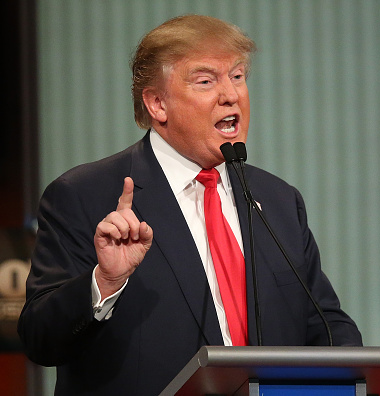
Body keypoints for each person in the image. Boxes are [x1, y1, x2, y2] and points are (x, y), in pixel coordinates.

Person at [18, 14, 362, 395]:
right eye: (205, 81)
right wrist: (105, 282)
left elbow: (326, 324)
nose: (231, 95)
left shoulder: (279, 200)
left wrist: (355, 375)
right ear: (157, 104)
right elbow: (39, 339)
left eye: (237, 76)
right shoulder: (83, 194)